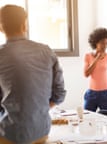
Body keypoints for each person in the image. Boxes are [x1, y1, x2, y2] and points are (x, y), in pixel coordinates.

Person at [0, 5, 66, 144]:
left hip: (10, 133)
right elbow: (59, 93)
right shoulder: (47, 52)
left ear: (1, 27)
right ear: (25, 25)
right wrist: (36, 109)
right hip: (41, 131)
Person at [83, 28, 107, 112]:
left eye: (106, 43)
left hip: (106, 94)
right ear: (96, 43)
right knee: (87, 117)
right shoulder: (88, 56)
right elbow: (86, 74)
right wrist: (97, 58)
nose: (104, 46)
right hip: (92, 94)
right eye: (102, 43)